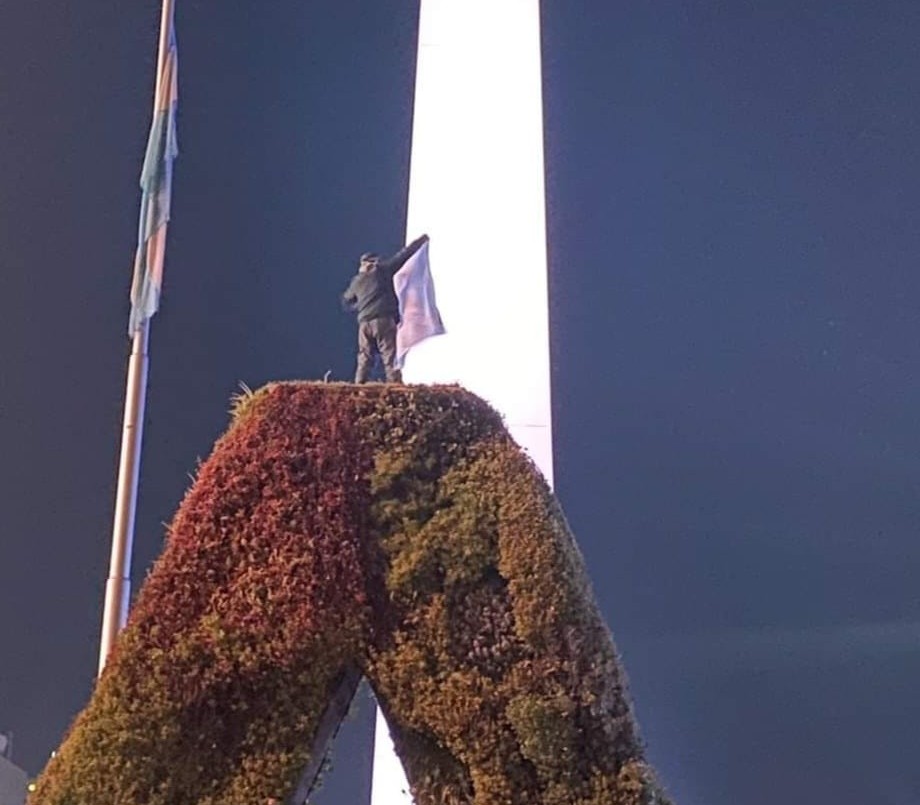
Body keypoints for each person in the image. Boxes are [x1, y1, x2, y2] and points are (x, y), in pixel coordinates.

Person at [342, 234, 429, 383]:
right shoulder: (382, 272)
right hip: (382, 320)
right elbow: (403, 255)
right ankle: (394, 386)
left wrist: (361, 306)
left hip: (364, 324)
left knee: (364, 356)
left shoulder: (357, 281)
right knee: (389, 355)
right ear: (375, 262)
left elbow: (346, 301)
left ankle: (359, 386)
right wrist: (422, 240)